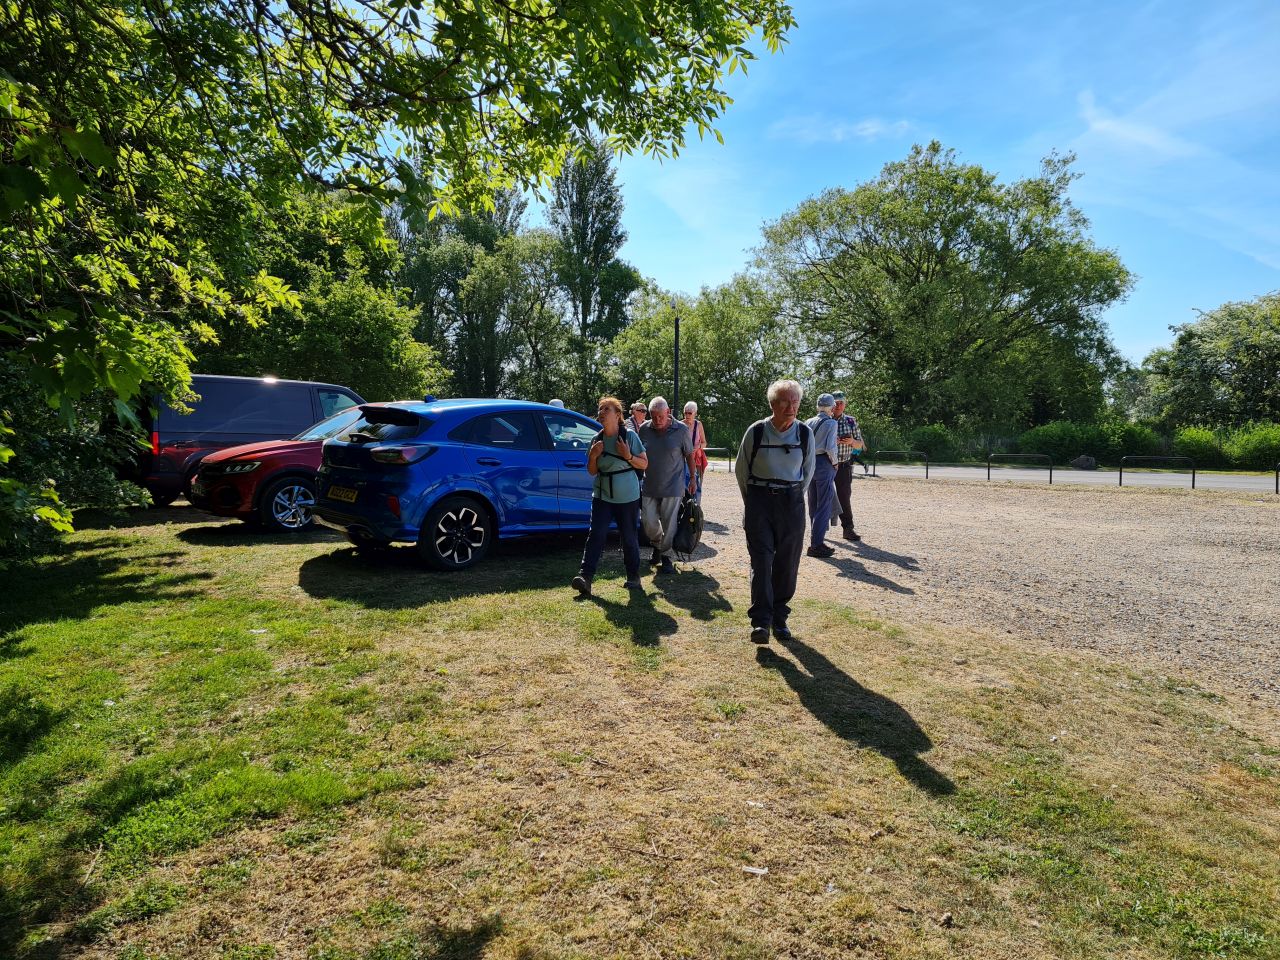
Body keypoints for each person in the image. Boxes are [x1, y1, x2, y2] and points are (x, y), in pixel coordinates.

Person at [734, 379, 815, 644]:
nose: (791, 407)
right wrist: (754, 502)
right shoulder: (756, 431)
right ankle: (761, 622)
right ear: (772, 404)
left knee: (787, 563)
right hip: (759, 501)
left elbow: (808, 473)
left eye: (795, 402)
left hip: (791, 503)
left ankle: (780, 617)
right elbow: (741, 470)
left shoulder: (805, 434)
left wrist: (790, 495)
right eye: (785, 401)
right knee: (761, 561)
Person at [571, 396, 649, 596]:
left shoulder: (629, 436)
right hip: (602, 495)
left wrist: (628, 456)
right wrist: (594, 456)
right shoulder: (596, 440)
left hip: (628, 497)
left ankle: (633, 578)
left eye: (607, 409)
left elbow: (644, 464)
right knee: (595, 535)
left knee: (629, 538)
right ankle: (585, 577)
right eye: (600, 409)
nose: (602, 412)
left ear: (618, 415)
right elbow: (591, 471)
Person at [638, 396, 696, 575]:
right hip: (649, 484)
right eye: (653, 417)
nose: (657, 421)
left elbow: (689, 455)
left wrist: (693, 478)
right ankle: (658, 545)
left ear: (668, 412)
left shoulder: (682, 429)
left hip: (673, 484)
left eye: (660, 417)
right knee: (648, 522)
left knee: (669, 523)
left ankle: (666, 557)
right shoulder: (644, 429)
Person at [805, 393, 840, 558]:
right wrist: (835, 463)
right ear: (831, 407)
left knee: (812, 504)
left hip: (809, 464)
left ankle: (815, 540)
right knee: (824, 505)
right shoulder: (831, 423)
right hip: (824, 464)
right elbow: (830, 448)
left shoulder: (807, 422)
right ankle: (816, 544)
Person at [831, 390, 864, 540]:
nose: (838, 406)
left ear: (845, 404)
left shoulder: (851, 421)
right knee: (821, 497)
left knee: (844, 497)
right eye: (835, 403)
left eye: (841, 403)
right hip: (825, 465)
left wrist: (851, 442)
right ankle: (818, 531)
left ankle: (848, 529)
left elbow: (861, 446)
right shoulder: (824, 420)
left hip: (844, 464)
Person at [681, 400, 709, 503]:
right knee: (684, 484)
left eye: (690, 413)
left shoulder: (699, 424)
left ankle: (696, 508)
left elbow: (704, 443)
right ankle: (685, 507)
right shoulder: (680, 424)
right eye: (685, 413)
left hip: (696, 459)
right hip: (683, 459)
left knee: (696, 483)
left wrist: (697, 447)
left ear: (695, 413)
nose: (687, 415)